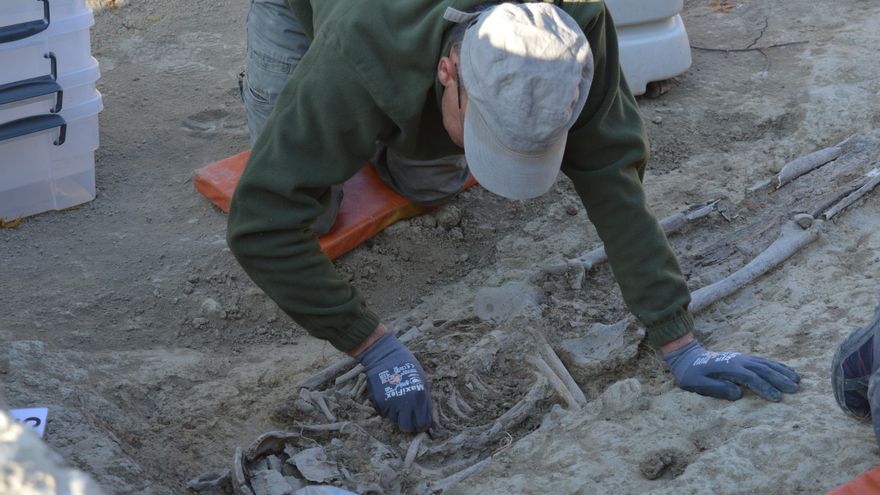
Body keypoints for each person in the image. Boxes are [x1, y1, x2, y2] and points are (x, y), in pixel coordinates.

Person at [228, 0, 801, 433]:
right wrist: (371, 343)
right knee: (315, 210)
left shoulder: (573, 28)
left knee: (428, 180)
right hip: (325, 19)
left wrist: (677, 338)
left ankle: (404, 132)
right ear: (449, 72)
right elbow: (262, 225)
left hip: (417, 66)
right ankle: (318, 112)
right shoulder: (357, 52)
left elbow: (611, 175)